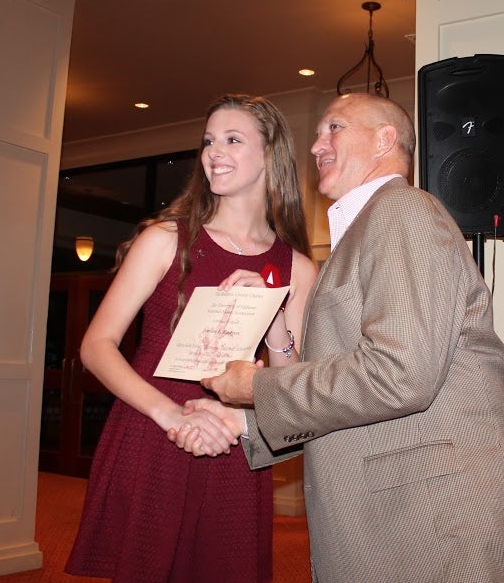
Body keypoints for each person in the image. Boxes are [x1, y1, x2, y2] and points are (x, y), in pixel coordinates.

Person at [175, 92, 504, 582]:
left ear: (386, 139)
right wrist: (244, 425)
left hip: (444, 524)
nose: (317, 144)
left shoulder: (402, 211)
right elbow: (355, 396)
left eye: (334, 128)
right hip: (413, 518)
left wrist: (253, 389)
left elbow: (400, 374)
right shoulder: (367, 230)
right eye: (318, 132)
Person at [65, 93, 318, 582]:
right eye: (208, 141)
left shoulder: (297, 268)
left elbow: (290, 392)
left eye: (232, 140)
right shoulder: (165, 239)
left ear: (270, 155)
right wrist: (169, 414)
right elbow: (96, 346)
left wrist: (276, 320)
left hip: (232, 441)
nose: (212, 153)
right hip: (153, 429)